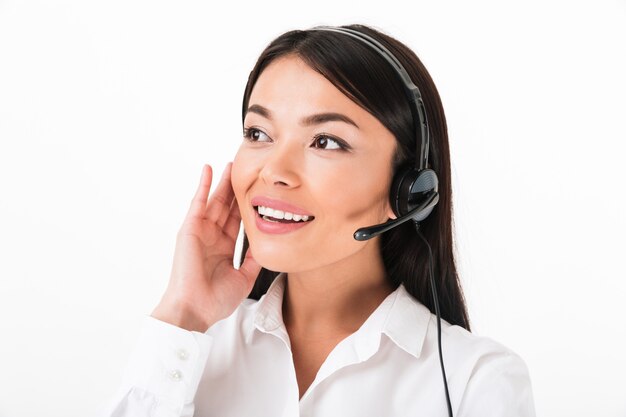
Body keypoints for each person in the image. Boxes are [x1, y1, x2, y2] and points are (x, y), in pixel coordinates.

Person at [100, 24, 536, 417]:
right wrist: (184, 314)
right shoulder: (186, 351)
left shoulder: (475, 383)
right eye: (258, 134)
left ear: (408, 191)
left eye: (325, 141)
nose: (273, 170)